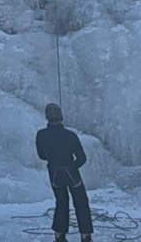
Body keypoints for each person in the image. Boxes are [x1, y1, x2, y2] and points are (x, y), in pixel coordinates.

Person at [36, 103, 93, 242]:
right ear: (60, 116)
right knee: (81, 203)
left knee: (61, 203)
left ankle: (59, 236)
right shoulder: (70, 135)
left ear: (47, 117)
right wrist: (72, 167)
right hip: (71, 173)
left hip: (54, 173)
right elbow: (82, 158)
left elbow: (42, 156)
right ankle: (85, 236)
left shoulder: (41, 135)